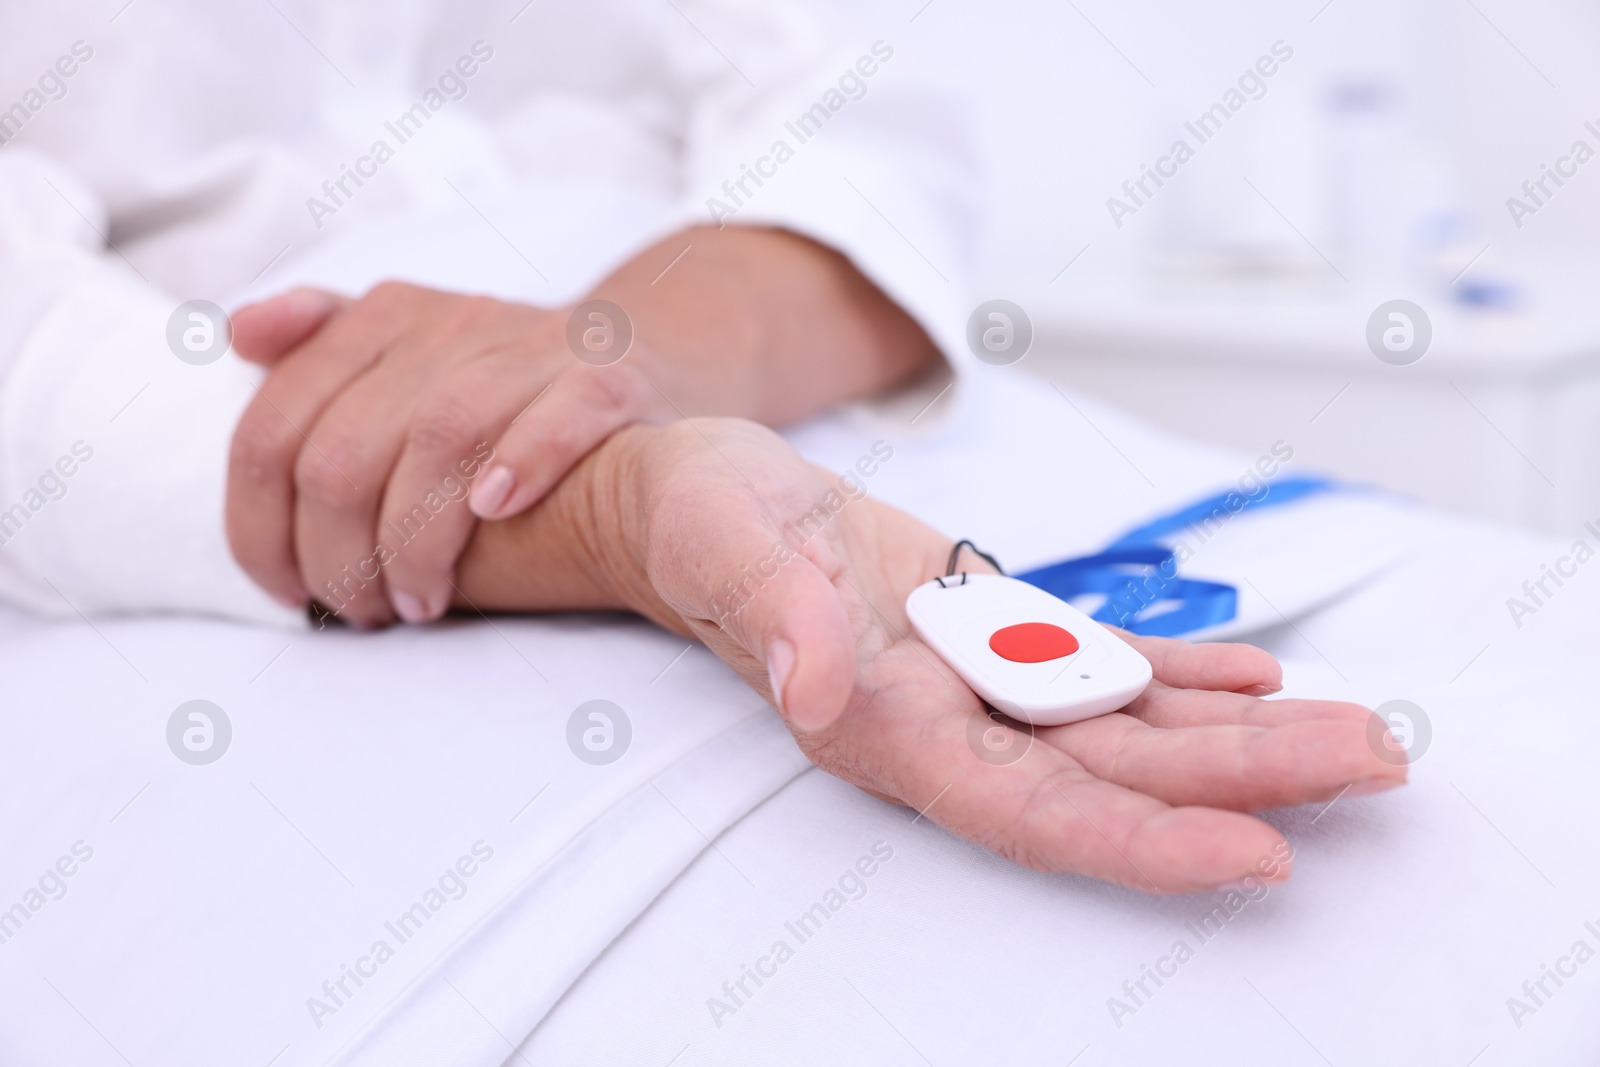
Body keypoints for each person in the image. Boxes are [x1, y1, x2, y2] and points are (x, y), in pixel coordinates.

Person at [0, 0, 1404, 893]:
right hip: (218, 516)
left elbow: (860, 110)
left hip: (801, 393)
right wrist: (602, 503)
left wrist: (614, 358)